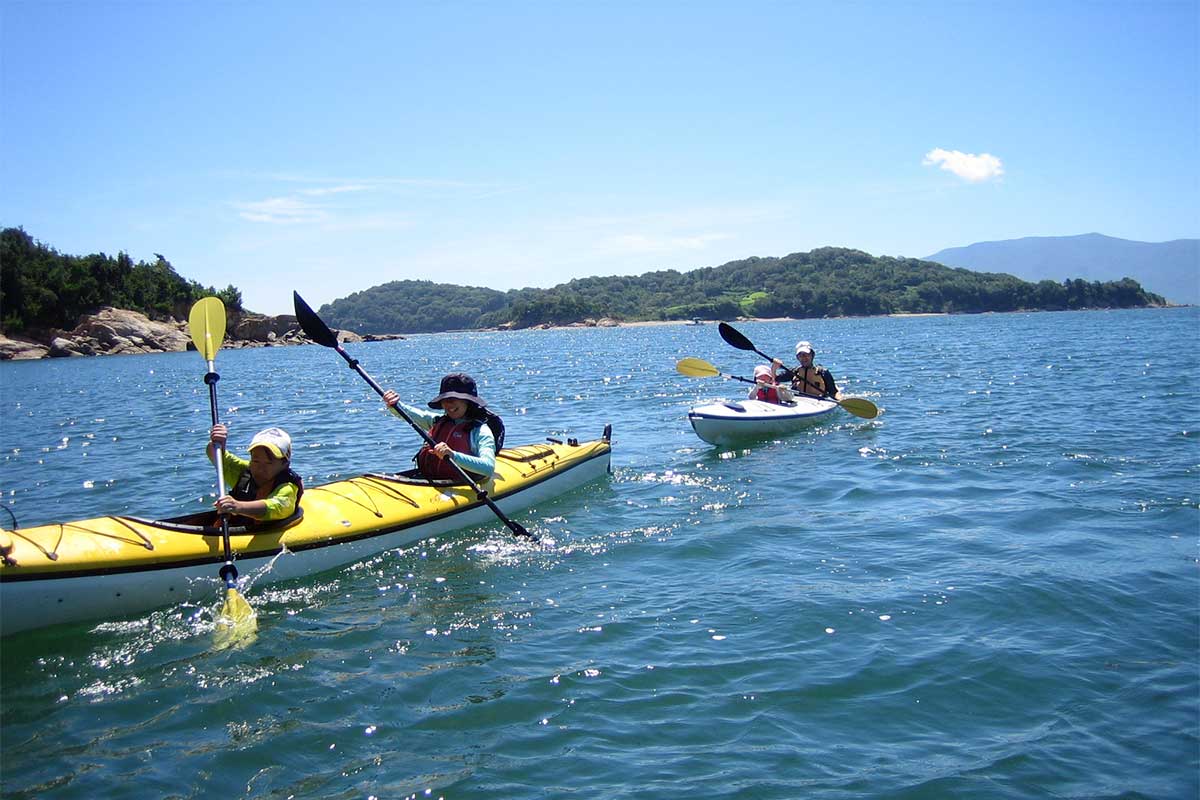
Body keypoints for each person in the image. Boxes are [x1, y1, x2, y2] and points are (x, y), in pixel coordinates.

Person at [381, 373, 498, 481]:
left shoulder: (480, 431)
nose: (448, 404)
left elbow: (488, 468)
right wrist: (394, 404)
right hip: (431, 482)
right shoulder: (436, 421)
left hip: (462, 484)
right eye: (445, 399)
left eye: (454, 399)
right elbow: (408, 413)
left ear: (468, 401)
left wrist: (453, 455)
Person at [206, 425, 303, 524]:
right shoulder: (245, 472)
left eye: (268, 463)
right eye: (256, 461)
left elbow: (274, 507)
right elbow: (216, 456)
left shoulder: (287, 487)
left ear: (285, 464)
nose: (260, 468)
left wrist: (237, 507)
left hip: (267, 532)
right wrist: (218, 442)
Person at [772, 340, 838, 399]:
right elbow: (775, 379)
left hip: (818, 402)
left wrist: (839, 399)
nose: (804, 358)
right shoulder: (794, 372)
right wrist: (774, 367)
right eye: (800, 355)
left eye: (806, 354)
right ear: (797, 358)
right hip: (800, 402)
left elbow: (834, 392)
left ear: (812, 355)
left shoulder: (823, 372)